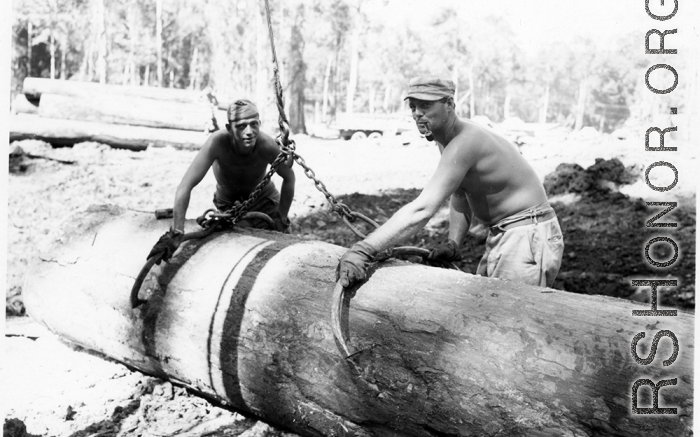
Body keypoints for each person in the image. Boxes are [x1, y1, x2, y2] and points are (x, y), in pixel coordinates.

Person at [337, 76, 564, 289]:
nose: (417, 113)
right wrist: (454, 243)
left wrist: (363, 250)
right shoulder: (445, 138)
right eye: (413, 107)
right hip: (508, 234)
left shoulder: (464, 142)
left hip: (526, 236)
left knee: (510, 321)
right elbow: (460, 192)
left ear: (449, 104)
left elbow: (422, 209)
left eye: (425, 106)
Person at [149, 99, 295, 263]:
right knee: (240, 250)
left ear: (259, 124)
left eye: (254, 124)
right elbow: (185, 185)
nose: (249, 131)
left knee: (286, 248)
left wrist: (281, 217)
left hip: (264, 201)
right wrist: (177, 231)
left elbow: (289, 177)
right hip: (228, 204)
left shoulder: (266, 144)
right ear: (229, 129)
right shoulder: (216, 143)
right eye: (241, 126)